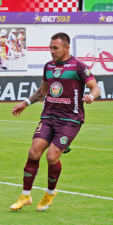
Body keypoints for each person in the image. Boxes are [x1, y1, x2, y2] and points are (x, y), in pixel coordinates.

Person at [10, 32, 101, 212]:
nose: (52, 51)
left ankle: (50, 192)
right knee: (33, 153)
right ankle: (25, 195)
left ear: (67, 48)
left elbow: (95, 87)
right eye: (50, 48)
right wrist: (25, 103)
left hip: (70, 120)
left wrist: (90, 96)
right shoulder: (49, 66)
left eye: (55, 48)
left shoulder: (79, 67)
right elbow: (43, 91)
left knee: (51, 157)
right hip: (49, 117)